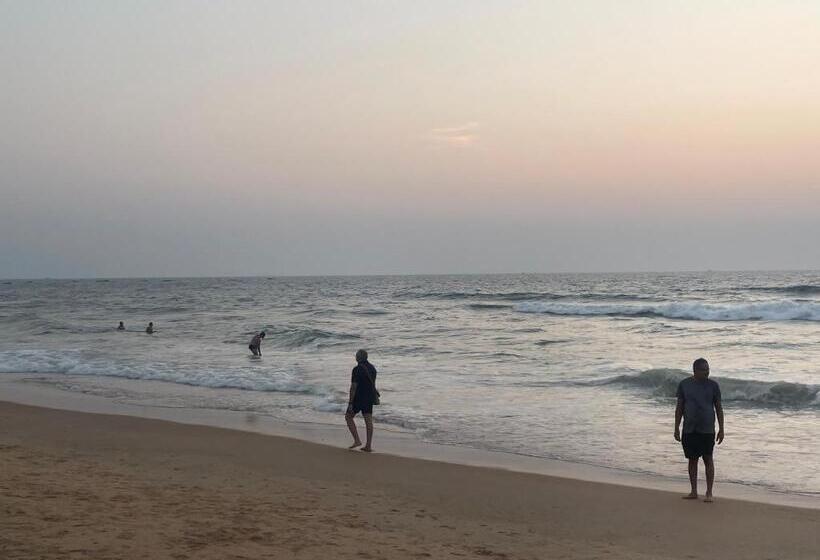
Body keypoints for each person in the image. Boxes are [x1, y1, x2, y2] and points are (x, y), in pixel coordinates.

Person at [674, 358, 724, 502]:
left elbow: (719, 408)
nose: (706, 372)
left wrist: (722, 429)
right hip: (689, 428)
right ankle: (694, 491)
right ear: (695, 370)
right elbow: (679, 408)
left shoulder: (713, 386)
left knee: (708, 458)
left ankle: (709, 492)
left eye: (708, 369)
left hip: (707, 429)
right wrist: (676, 427)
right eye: (703, 369)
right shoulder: (684, 385)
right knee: (692, 460)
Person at [345, 349, 378, 452]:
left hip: (358, 397)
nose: (355, 357)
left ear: (359, 357)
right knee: (368, 420)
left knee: (348, 417)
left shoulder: (357, 369)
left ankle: (357, 440)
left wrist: (350, 402)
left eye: (356, 356)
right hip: (369, 398)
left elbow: (354, 386)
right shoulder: (372, 368)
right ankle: (368, 445)